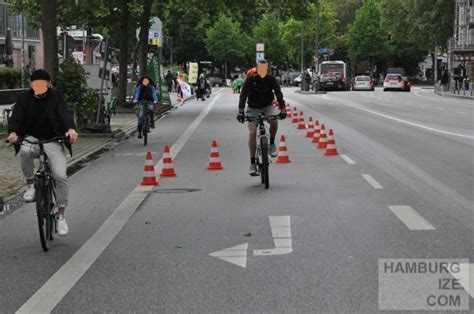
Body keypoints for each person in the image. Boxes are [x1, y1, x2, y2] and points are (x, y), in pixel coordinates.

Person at [7, 69, 78, 236]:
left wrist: (70, 129)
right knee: (24, 151)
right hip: (32, 139)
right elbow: (16, 117)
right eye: (35, 84)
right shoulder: (24, 98)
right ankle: (30, 185)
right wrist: (13, 133)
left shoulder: (56, 96)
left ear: (49, 84)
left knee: (60, 176)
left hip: (53, 140)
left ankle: (60, 216)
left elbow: (64, 114)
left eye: (43, 83)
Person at [237, 59, 287, 176]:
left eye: (265, 68)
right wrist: (240, 111)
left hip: (267, 106)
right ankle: (252, 163)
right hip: (253, 108)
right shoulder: (250, 80)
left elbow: (278, 93)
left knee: (274, 121)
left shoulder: (271, 79)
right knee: (252, 132)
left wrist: (283, 109)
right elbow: (243, 95)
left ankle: (272, 143)